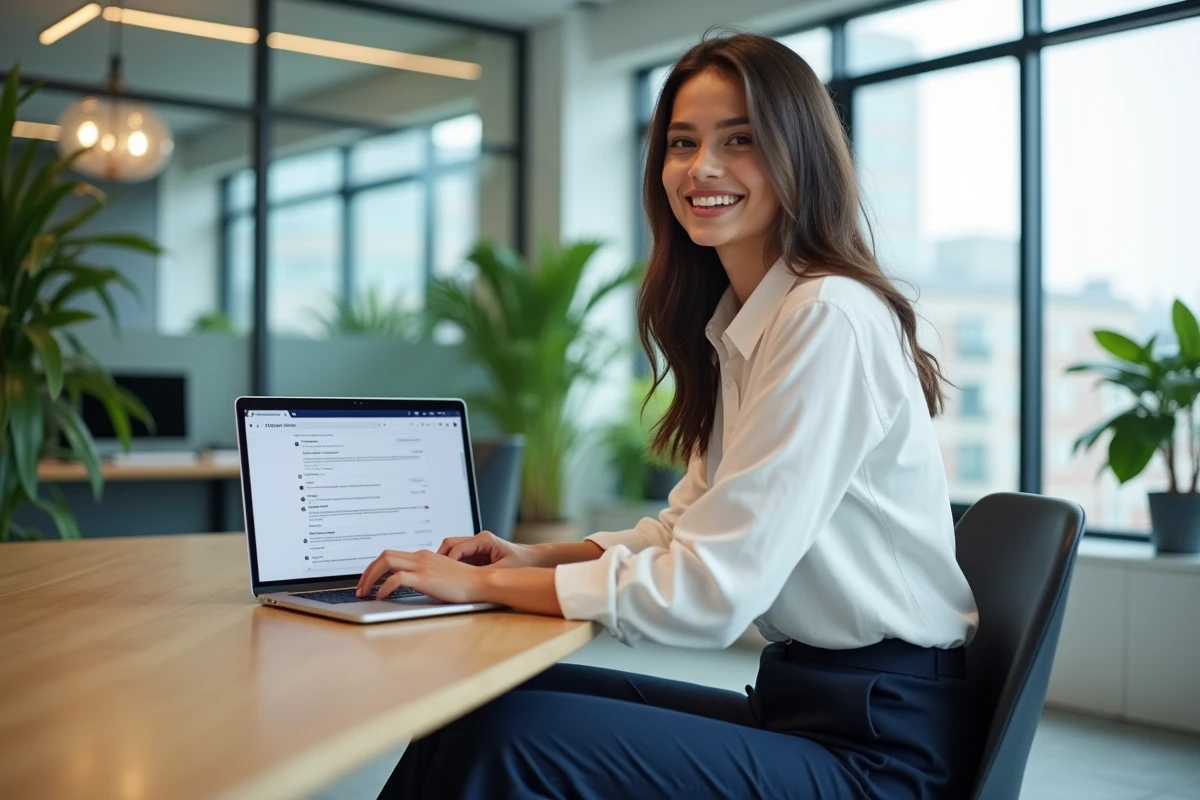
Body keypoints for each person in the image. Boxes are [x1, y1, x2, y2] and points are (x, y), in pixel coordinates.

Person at [359, 31, 979, 799]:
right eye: (683, 143)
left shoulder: (826, 317)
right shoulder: (746, 324)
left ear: (800, 156)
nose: (701, 167)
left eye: (739, 140)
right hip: (804, 705)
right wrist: (531, 559)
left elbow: (709, 593)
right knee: (470, 709)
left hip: (879, 752)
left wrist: (477, 587)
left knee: (503, 742)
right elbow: (683, 532)